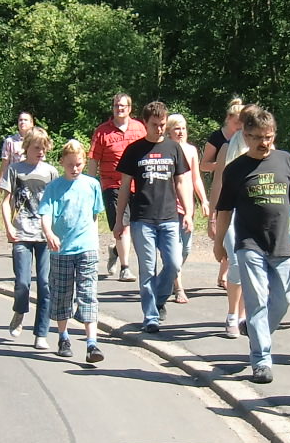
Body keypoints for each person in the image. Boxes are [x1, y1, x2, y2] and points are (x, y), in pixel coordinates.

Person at [212, 104, 290, 384]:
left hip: (281, 245)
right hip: (249, 243)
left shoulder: (285, 160)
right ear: (246, 135)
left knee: (285, 299)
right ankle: (261, 361)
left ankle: (254, 330)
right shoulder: (235, 169)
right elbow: (224, 210)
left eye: (269, 136)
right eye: (257, 138)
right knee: (257, 302)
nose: (264, 143)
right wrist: (219, 243)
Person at [113, 101, 194, 332]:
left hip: (169, 217)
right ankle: (150, 316)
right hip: (142, 218)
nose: (159, 129)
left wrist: (188, 212)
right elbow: (124, 187)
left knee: (174, 263)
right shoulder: (134, 150)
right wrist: (119, 220)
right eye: (155, 125)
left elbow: (181, 182)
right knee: (147, 268)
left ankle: (159, 299)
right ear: (145, 123)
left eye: (162, 124)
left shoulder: (173, 148)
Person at [40, 138, 107, 364]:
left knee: (88, 293)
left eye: (78, 164)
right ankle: (63, 337)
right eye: (70, 165)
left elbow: (95, 214)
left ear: (84, 162)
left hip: (87, 247)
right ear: (62, 162)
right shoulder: (54, 188)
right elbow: (45, 214)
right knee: (62, 294)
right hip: (61, 250)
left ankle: (92, 343)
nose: (75, 168)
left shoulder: (92, 185)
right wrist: (49, 233)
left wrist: (94, 241)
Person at [0, 128, 55, 347]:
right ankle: (20, 310)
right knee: (22, 282)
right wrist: (8, 227)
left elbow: (56, 203)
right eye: (36, 147)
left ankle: (41, 333)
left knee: (45, 283)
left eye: (44, 148)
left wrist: (55, 231)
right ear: (27, 147)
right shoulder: (15, 170)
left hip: (44, 234)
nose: (41, 152)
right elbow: (6, 202)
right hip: (21, 232)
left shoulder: (51, 172)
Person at [91, 94, 146, 282]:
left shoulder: (139, 128)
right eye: (116, 105)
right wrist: (90, 186)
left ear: (130, 108)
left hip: (137, 185)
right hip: (112, 185)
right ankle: (125, 268)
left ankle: (116, 251)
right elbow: (94, 160)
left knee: (136, 227)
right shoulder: (102, 131)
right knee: (122, 226)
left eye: (122, 106)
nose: (119, 109)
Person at [201, 98, 244, 298]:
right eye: (237, 122)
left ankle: (226, 276)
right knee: (229, 242)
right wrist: (224, 165)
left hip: (243, 202)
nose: (240, 126)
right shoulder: (218, 138)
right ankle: (230, 285)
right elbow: (204, 165)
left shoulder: (250, 140)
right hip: (224, 191)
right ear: (229, 119)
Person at [164, 112, 206, 300]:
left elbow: (196, 178)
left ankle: (168, 275)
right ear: (169, 132)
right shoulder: (166, 150)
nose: (180, 132)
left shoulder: (191, 150)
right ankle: (178, 287)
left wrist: (204, 200)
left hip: (188, 206)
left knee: (186, 248)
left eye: (183, 128)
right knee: (174, 247)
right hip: (170, 205)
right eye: (176, 129)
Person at [0, 111, 38, 183]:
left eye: (25, 120)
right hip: (15, 180)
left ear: (32, 123)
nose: (22, 122)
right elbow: (4, 165)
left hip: (33, 179)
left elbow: (41, 162)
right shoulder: (10, 141)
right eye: (20, 120)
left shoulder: (37, 141)